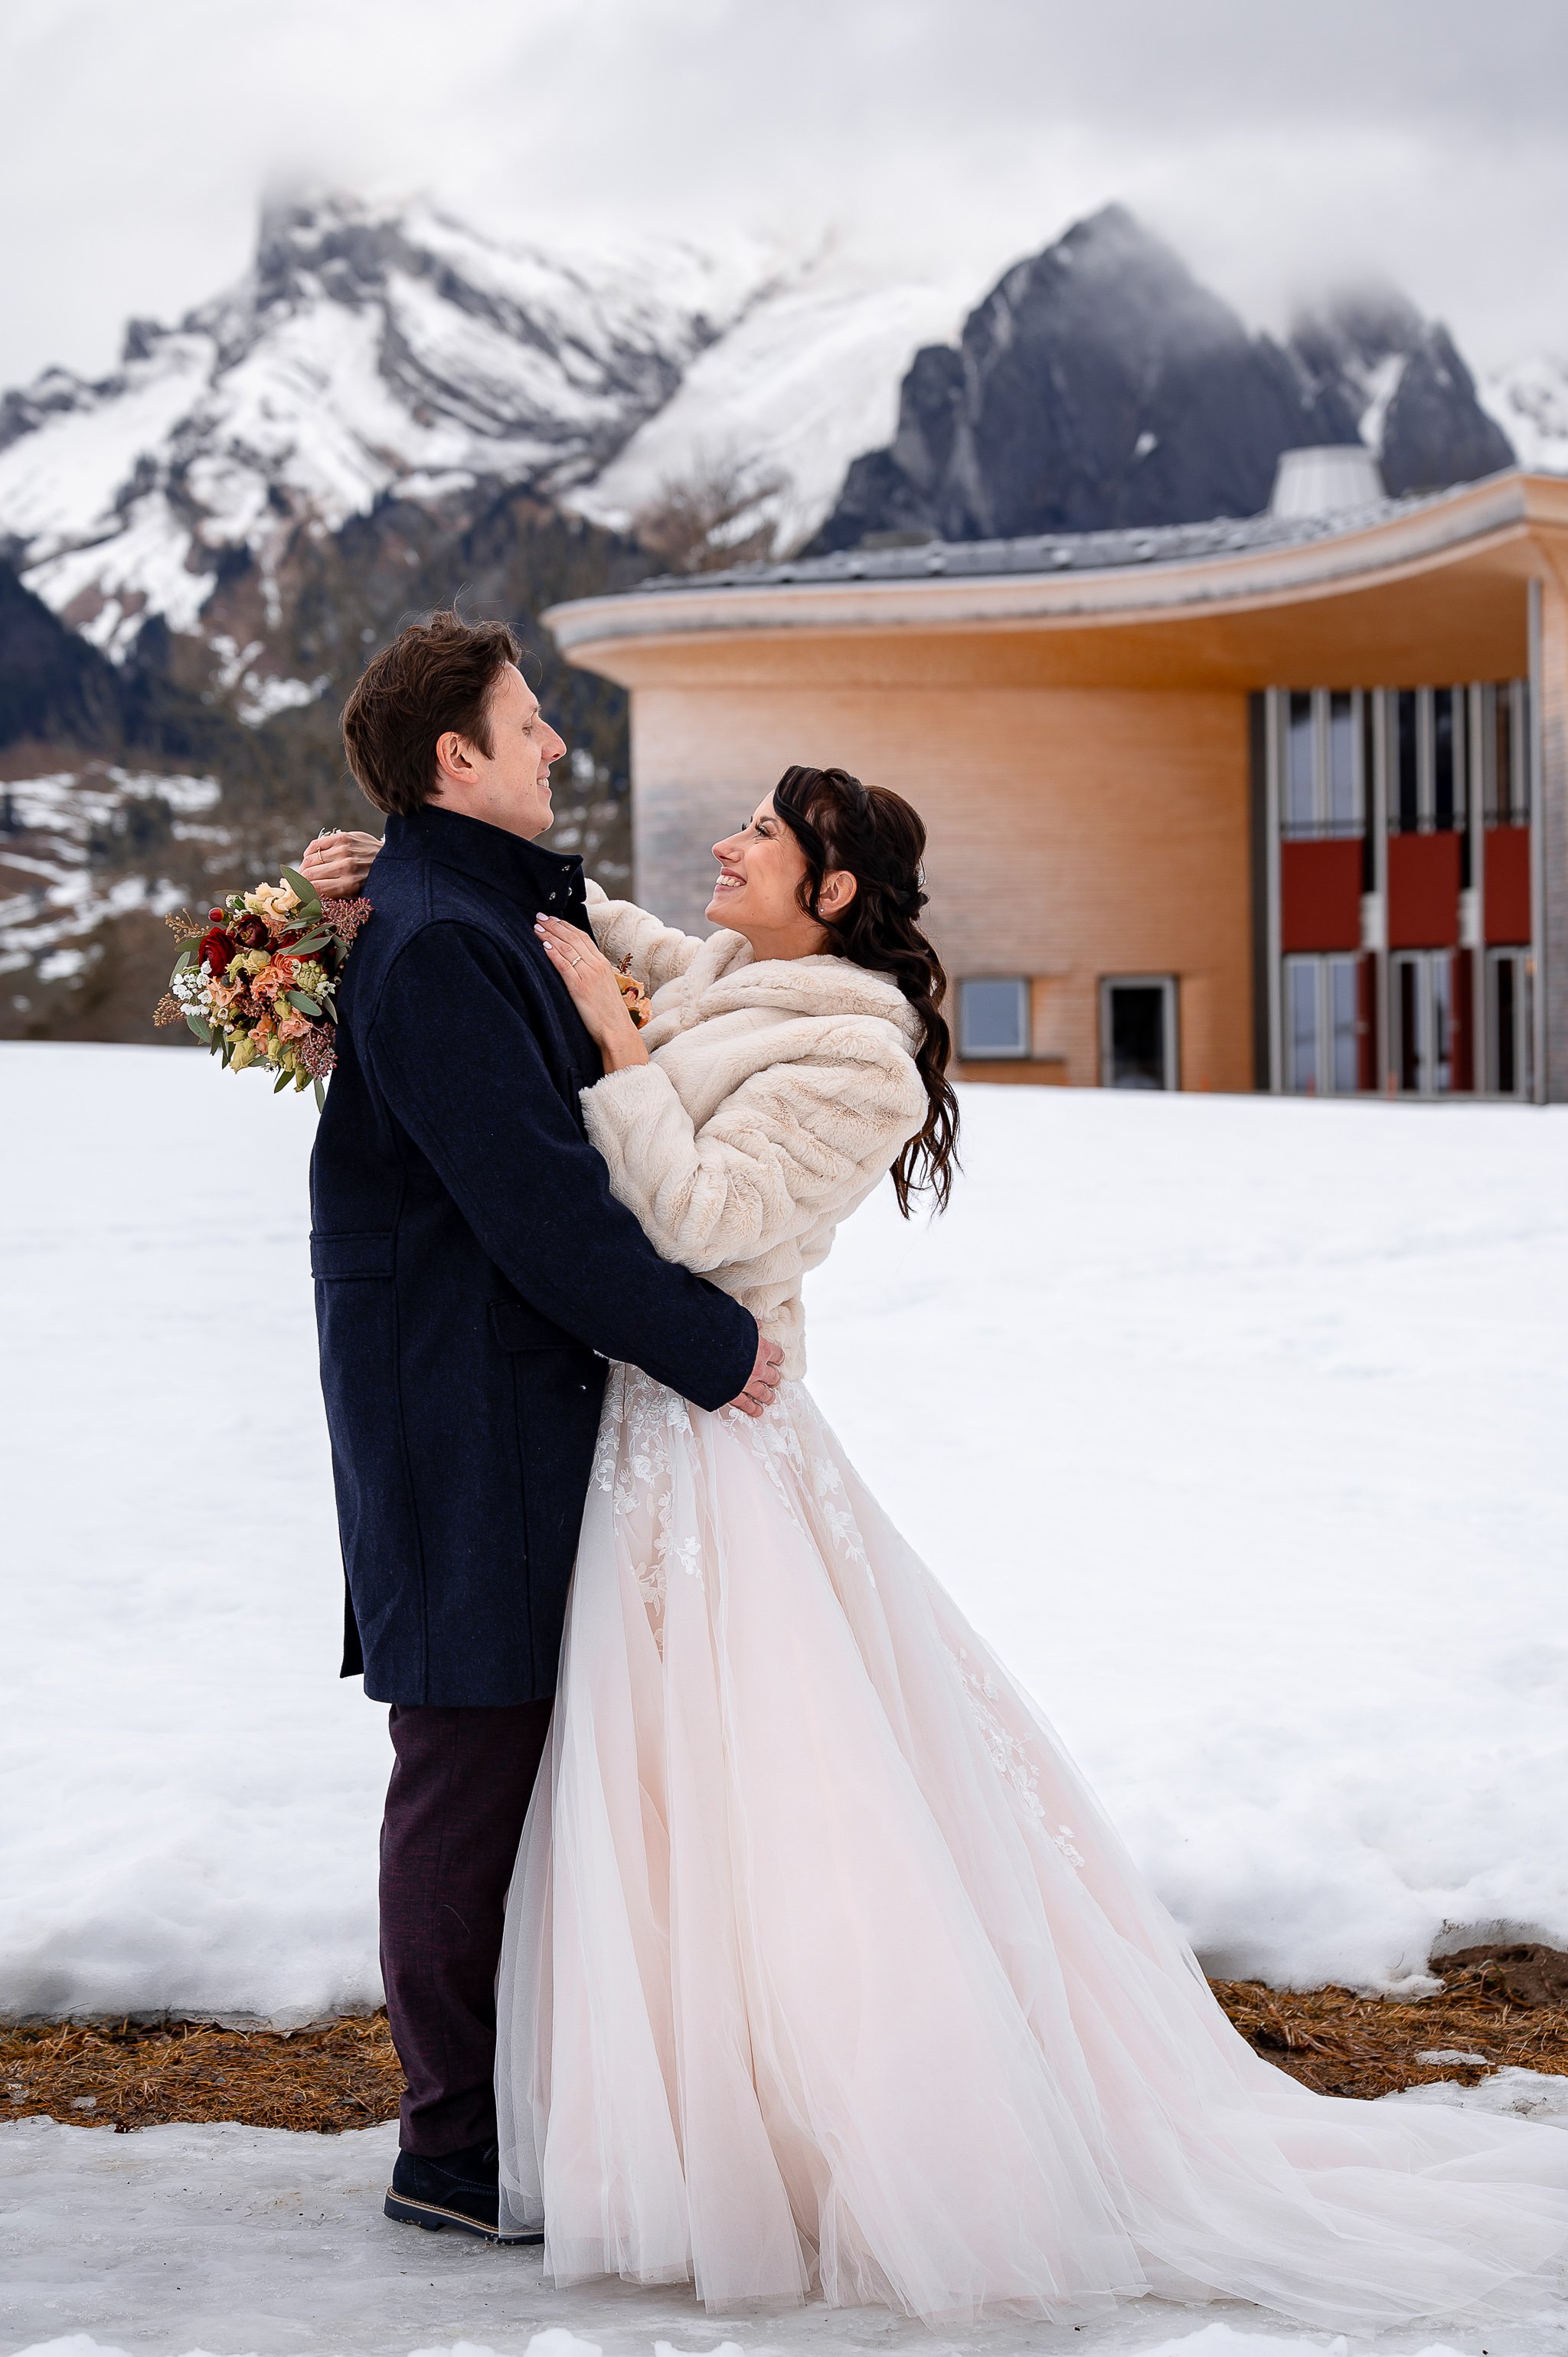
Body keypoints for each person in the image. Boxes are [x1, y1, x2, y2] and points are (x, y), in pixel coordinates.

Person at [312, 756, 1568, 2329]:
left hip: (712, 1449)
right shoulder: (738, 978)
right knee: (646, 1807)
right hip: (629, 1431)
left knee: (762, 1796)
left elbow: (700, 1220)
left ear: (831, 894)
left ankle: (795, 2122)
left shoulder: (859, 1054)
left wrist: (620, 1046)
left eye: (761, 838)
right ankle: (631, 2114)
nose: (727, 843)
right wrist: (435, 883)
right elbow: (630, 938)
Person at [302, 612, 780, 2247]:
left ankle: (537, 2118)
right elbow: (535, 1204)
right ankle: (450, 2149)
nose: (557, 748)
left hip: (513, 1403)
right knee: (464, 1762)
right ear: (457, 757)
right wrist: (714, 1349)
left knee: (518, 1765)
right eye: (529, 727)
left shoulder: (480, 900)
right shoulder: (436, 941)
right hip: (457, 1418)